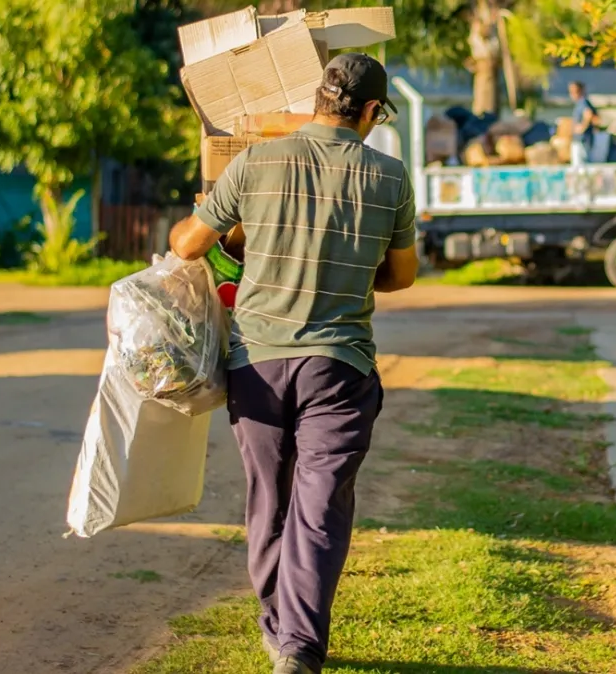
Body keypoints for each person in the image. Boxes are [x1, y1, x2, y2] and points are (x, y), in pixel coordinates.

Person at [167, 53, 418, 674]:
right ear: (368, 112)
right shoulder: (389, 177)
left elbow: (187, 245)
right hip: (339, 368)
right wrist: (350, 264)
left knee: (269, 503)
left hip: (255, 364)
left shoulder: (255, 163)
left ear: (317, 99)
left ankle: (284, 632)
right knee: (320, 505)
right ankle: (296, 646)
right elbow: (402, 277)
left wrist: (237, 234)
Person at [568, 80, 598, 165]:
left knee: (580, 167)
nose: (572, 94)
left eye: (575, 91)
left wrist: (582, 127)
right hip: (581, 140)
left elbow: (589, 114)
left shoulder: (583, 102)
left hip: (582, 140)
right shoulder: (580, 103)